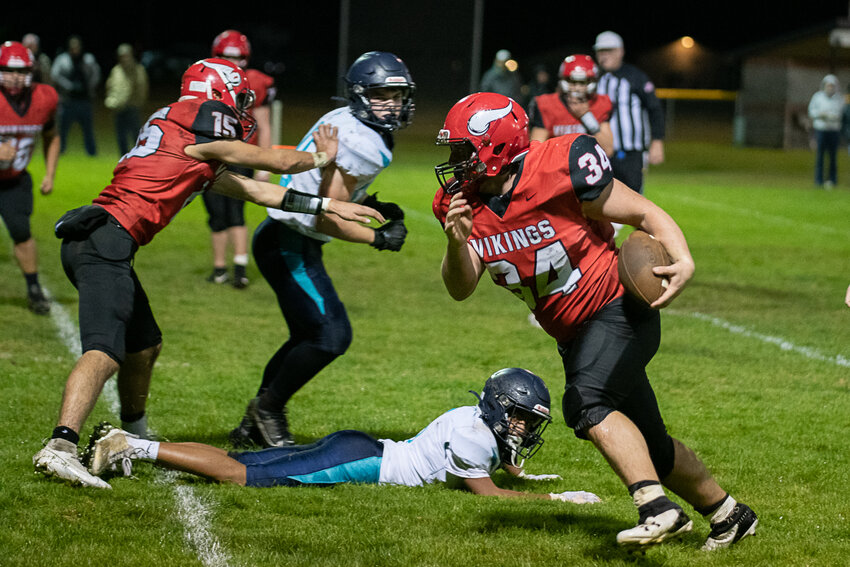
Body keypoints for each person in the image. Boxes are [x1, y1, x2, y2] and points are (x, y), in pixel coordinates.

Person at [32, 58, 384, 489]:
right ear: (217, 94)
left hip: (104, 239)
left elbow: (256, 189)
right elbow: (269, 162)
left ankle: (132, 436)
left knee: (144, 347)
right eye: (236, 99)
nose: (239, 110)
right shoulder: (198, 118)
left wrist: (330, 205)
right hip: (104, 239)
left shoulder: (184, 139)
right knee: (106, 350)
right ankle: (61, 446)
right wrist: (321, 156)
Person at [432, 92, 758, 550]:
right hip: (574, 335)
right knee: (653, 446)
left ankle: (655, 508)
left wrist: (682, 257)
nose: (454, 162)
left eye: (463, 150)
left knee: (586, 402)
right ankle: (730, 515)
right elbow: (460, 287)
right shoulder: (461, 203)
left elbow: (642, 211)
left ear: (497, 146)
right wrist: (455, 242)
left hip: (619, 306)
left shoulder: (560, 166)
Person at [228, 51, 413, 449]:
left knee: (306, 335)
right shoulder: (361, 139)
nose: (393, 104)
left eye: (398, 96)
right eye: (383, 95)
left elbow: (330, 193)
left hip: (285, 238)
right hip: (289, 242)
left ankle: (253, 422)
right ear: (361, 94)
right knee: (330, 336)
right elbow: (326, 216)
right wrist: (378, 239)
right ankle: (268, 409)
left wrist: (370, 204)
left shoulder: (350, 122)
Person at [86, 367, 600, 504]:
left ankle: (137, 446)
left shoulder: (473, 418)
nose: (523, 429)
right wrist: (556, 496)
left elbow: (504, 462)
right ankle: (128, 444)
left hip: (359, 444)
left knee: (242, 460)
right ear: (499, 408)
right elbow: (486, 496)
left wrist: (527, 474)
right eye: (521, 418)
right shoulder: (476, 437)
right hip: (365, 463)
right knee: (241, 475)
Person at [202, 30, 277, 288]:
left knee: (235, 212)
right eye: (225, 56)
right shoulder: (206, 78)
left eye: (236, 57)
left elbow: (264, 124)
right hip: (211, 153)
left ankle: (240, 268)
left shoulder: (255, 81)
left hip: (242, 153)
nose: (232, 62)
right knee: (215, 213)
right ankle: (219, 267)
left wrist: (264, 164)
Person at [0, 41, 61, 315]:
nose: (14, 77)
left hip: (14, 180)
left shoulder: (44, 98)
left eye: (20, 71)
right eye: (7, 71)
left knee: (22, 233)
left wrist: (49, 173)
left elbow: (51, 135)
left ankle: (34, 288)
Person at [593, 31, 664, 195]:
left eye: (608, 50)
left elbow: (655, 108)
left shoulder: (635, 77)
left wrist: (657, 141)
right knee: (599, 198)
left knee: (634, 196)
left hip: (631, 150)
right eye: (601, 51)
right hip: (599, 150)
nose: (604, 56)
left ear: (620, 51)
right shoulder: (593, 78)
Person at [528, 54, 614, 156]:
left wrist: (586, 116)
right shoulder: (546, 104)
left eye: (583, 82)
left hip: (587, 168)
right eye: (572, 81)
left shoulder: (599, 103)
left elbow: (608, 150)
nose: (577, 88)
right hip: (556, 165)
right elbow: (536, 153)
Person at [51, 35, 100, 156]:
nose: (75, 49)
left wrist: (89, 86)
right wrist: (68, 86)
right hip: (68, 101)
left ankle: (92, 153)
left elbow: (96, 73)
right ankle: (60, 151)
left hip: (84, 101)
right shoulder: (63, 59)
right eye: (72, 46)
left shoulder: (88, 59)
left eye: (77, 46)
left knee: (88, 130)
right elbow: (54, 75)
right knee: (63, 129)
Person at [104, 43, 148, 156]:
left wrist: (138, 103)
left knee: (135, 136)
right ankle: (123, 159)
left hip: (133, 107)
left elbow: (143, 87)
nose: (124, 58)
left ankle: (137, 158)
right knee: (120, 136)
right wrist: (111, 100)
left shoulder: (138, 70)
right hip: (119, 108)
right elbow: (110, 85)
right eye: (122, 56)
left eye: (126, 55)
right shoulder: (116, 70)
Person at [808, 74, 844, 189]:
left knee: (833, 157)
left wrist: (833, 117)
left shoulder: (839, 99)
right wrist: (820, 114)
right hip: (821, 130)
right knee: (820, 156)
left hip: (833, 130)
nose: (830, 88)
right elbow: (811, 111)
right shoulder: (818, 97)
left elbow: (841, 114)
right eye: (828, 86)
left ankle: (832, 179)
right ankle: (818, 180)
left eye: (832, 86)